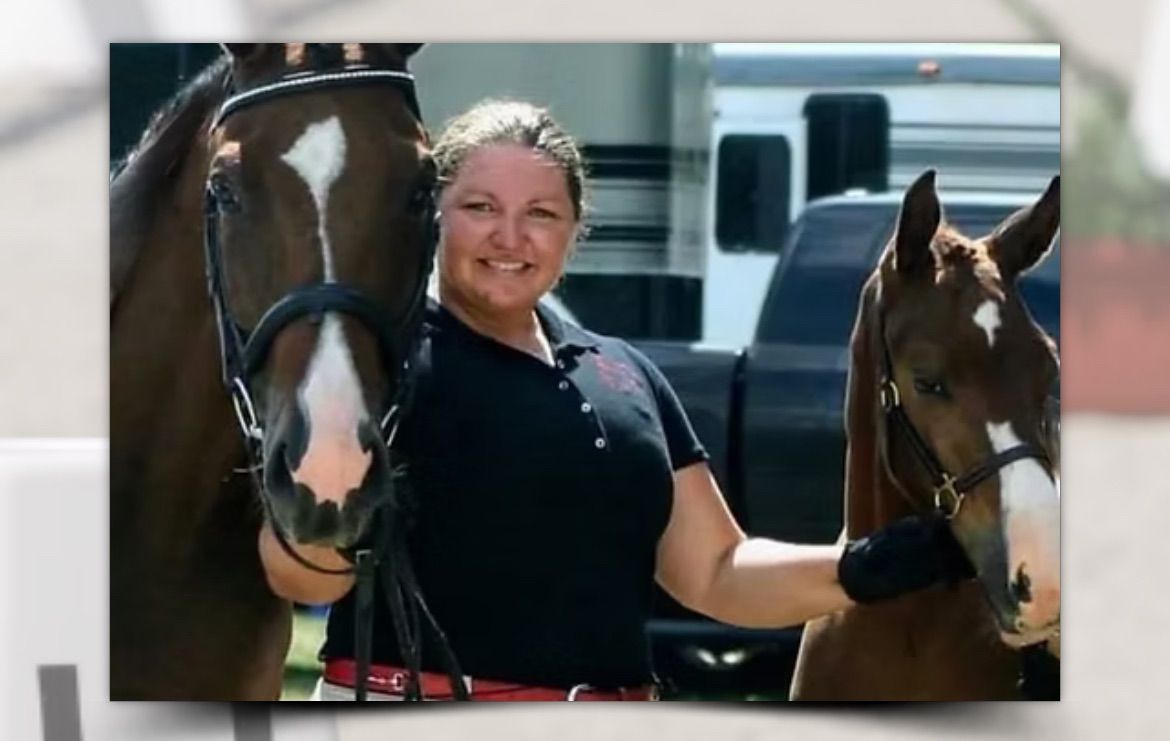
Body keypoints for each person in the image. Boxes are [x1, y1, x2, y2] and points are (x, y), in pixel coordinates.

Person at [257, 99, 974, 701]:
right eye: (479, 206)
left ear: (575, 229)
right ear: (431, 217)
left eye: (540, 212)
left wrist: (860, 567)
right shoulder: (378, 362)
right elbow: (294, 569)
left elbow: (716, 572)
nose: (510, 236)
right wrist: (324, 525)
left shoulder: (623, 371)